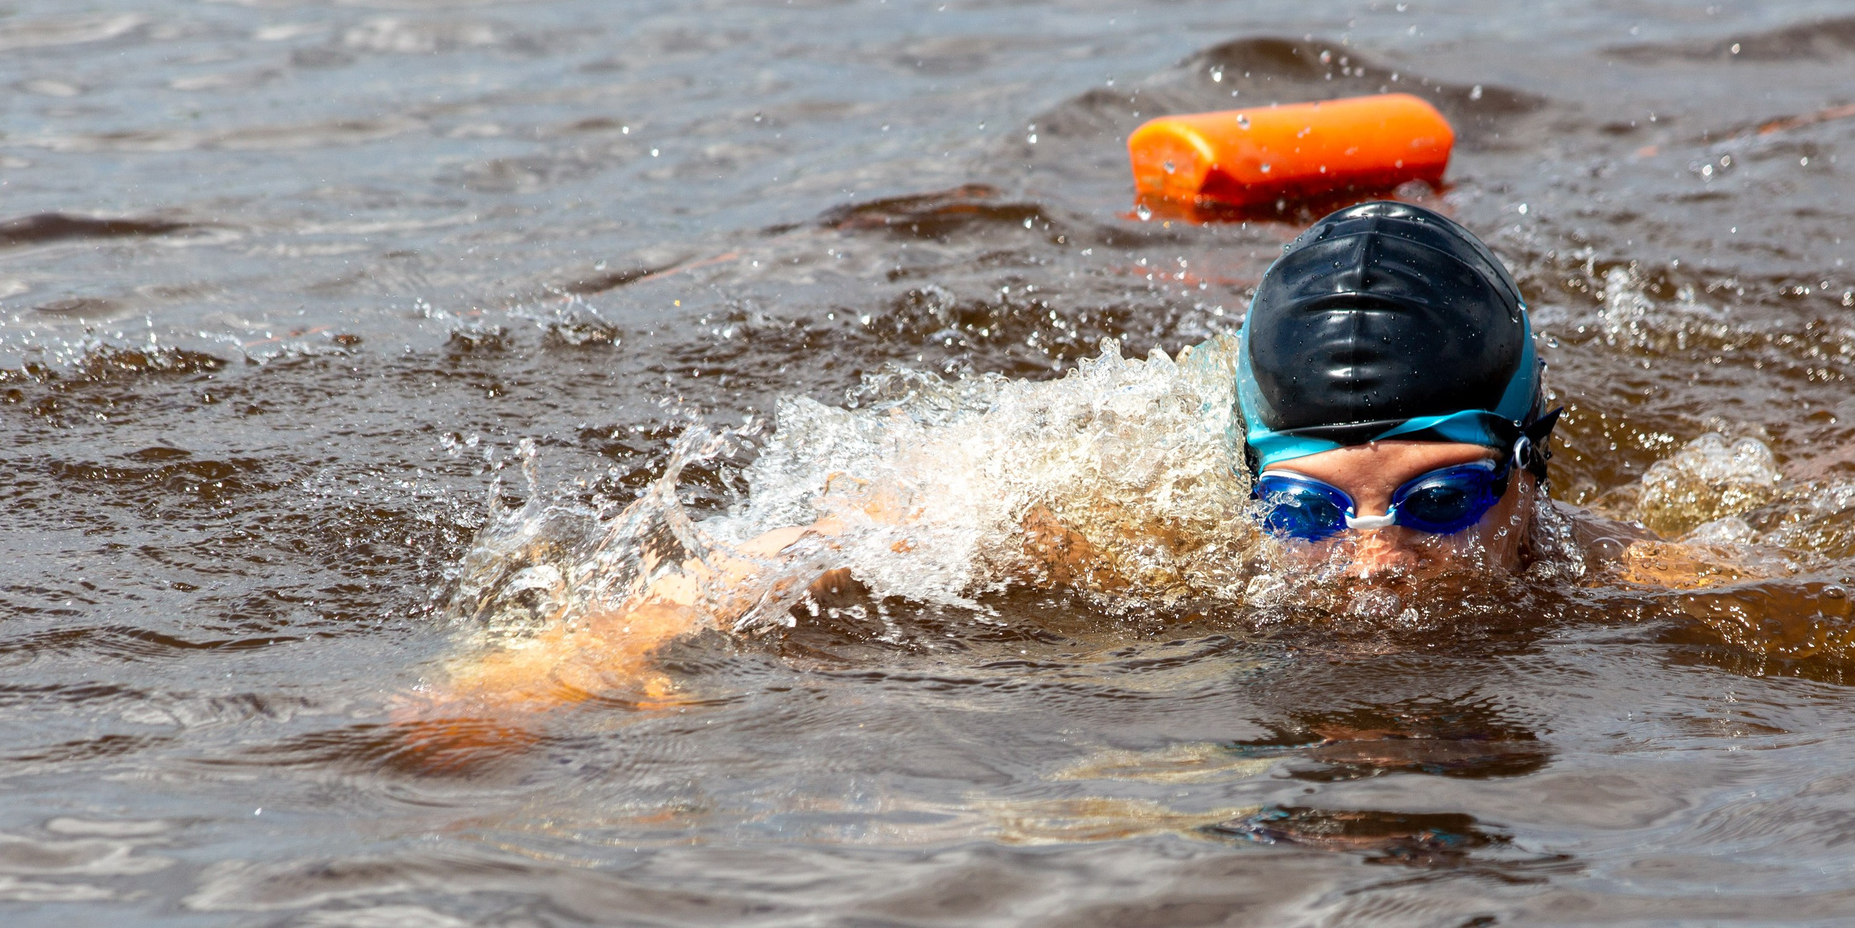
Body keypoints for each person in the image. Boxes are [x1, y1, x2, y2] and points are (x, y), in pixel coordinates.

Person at [415, 201, 1736, 726]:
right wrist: (551, 667)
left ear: (1531, 470)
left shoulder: (1620, 566)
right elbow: (854, 527)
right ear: (1248, 486)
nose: (1374, 557)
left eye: (1441, 498)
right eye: (1305, 508)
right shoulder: (1126, 533)